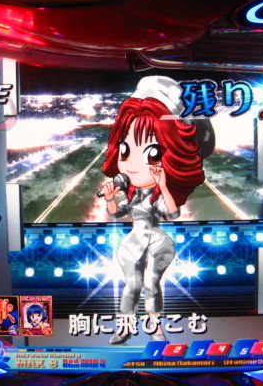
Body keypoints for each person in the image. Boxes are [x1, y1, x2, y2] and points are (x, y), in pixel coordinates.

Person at [100, 76, 214, 344]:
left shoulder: (158, 193)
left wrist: (162, 184)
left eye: (151, 154)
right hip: (133, 242)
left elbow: (172, 213)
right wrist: (110, 198)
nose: (131, 164)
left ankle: (155, 328)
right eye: (125, 150)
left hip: (156, 241)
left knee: (152, 285)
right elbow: (116, 213)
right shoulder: (131, 193)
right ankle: (125, 326)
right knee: (133, 286)